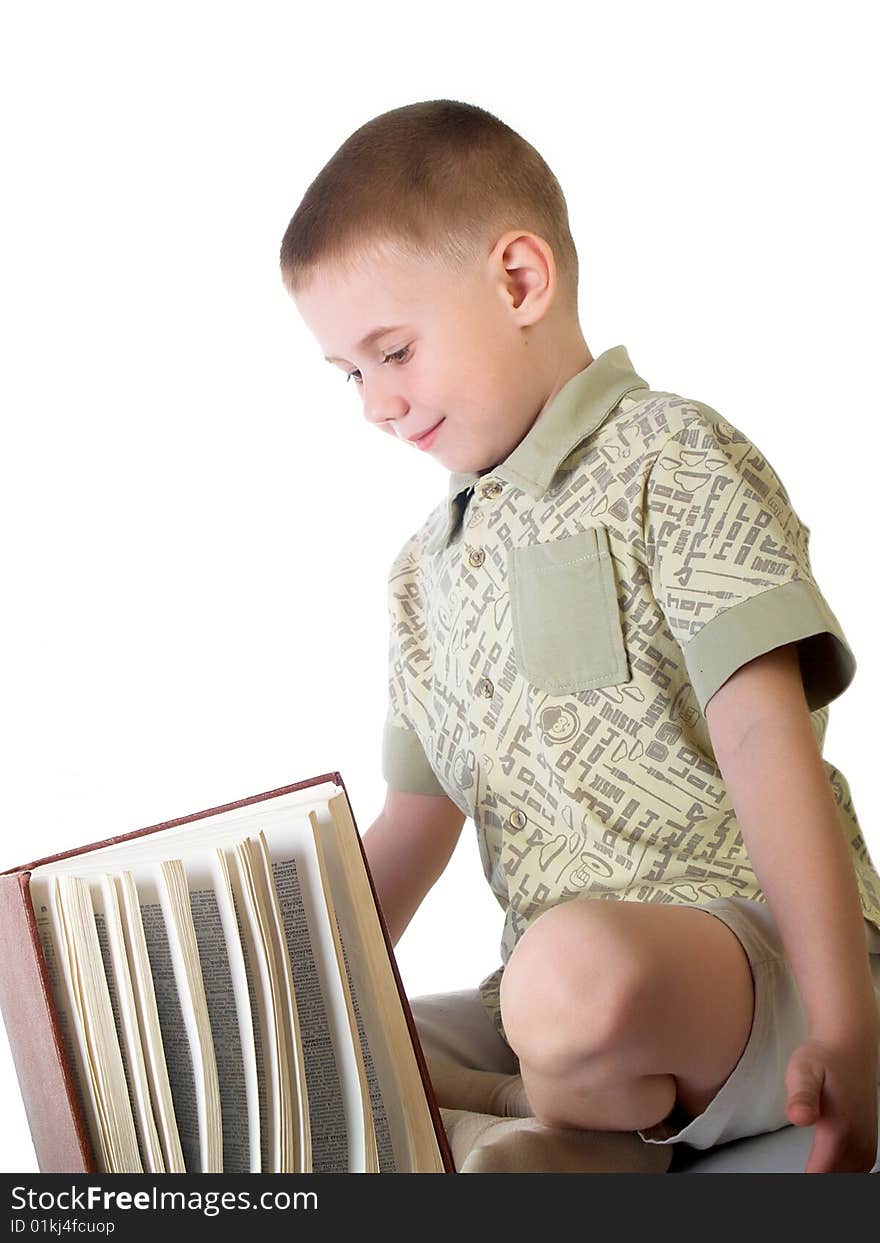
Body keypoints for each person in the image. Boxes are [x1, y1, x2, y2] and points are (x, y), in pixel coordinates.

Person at [279, 98, 880, 1174]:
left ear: (519, 280)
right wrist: (288, 992)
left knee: (563, 982)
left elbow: (764, 745)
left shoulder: (671, 459)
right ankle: (558, 1132)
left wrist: (846, 1026)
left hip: (743, 954)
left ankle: (524, 1108)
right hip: (562, 1005)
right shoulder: (423, 573)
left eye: (393, 350)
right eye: (349, 374)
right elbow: (415, 823)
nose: (375, 402)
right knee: (353, 1055)